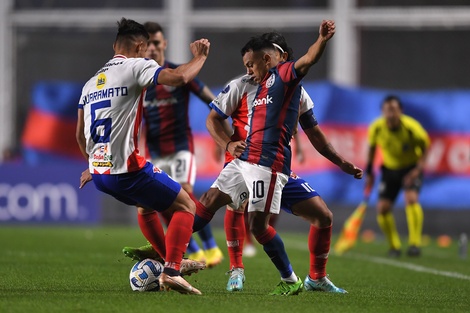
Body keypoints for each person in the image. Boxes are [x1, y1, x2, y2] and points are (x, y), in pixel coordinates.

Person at [202, 29, 362, 294]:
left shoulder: (293, 90)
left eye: (253, 63)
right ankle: (236, 269)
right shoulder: (241, 84)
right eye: (248, 64)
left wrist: (341, 161)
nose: (250, 69)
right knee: (235, 207)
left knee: (323, 217)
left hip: (275, 165)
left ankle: (316, 278)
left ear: (277, 58)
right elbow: (213, 119)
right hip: (242, 161)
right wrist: (228, 144)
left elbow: (314, 134)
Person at [75, 17, 211, 295]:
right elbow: (180, 78)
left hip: (101, 175)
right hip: (128, 170)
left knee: (146, 207)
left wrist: (92, 164)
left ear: (115, 45)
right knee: (186, 206)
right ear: (140, 46)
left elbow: (80, 135)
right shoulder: (136, 65)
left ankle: (169, 260)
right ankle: (171, 270)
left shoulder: (90, 84)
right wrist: (199, 56)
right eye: (146, 48)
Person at [121, 21, 224, 268]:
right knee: (161, 201)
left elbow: (214, 101)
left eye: (157, 43)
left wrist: (223, 134)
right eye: (148, 45)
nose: (153, 49)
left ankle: (211, 249)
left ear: (164, 44)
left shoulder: (180, 72)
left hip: (180, 147)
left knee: (184, 193)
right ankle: (191, 249)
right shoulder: (142, 79)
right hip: (155, 152)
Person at [365, 95, 430, 257]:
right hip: (389, 170)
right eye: (387, 110)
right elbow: (372, 149)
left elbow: (426, 148)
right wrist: (370, 172)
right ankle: (394, 246)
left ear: (400, 111)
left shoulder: (411, 127)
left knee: (411, 199)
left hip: (410, 168)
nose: (391, 114)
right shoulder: (377, 128)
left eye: (394, 110)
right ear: (382, 112)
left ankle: (415, 244)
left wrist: (417, 170)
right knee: (382, 208)